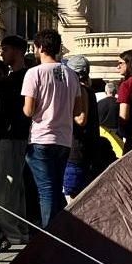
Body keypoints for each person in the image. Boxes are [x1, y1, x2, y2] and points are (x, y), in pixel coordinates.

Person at [22, 29, 85, 227]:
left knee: (46, 190)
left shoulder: (34, 73)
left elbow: (29, 110)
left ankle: (48, 235)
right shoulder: (72, 75)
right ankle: (58, 233)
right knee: (56, 189)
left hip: (42, 137)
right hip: (64, 139)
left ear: (39, 48)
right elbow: (78, 111)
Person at [0, 36, 35, 244]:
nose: (1, 52)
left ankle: (12, 231)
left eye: (6, 49)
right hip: (17, 135)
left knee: (7, 186)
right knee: (15, 185)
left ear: (18, 51)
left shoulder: (21, 78)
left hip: (11, 135)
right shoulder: (21, 76)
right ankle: (20, 229)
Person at [60, 56, 109, 202]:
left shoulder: (81, 90)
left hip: (76, 154)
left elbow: (81, 119)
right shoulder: (89, 91)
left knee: (72, 201)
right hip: (85, 155)